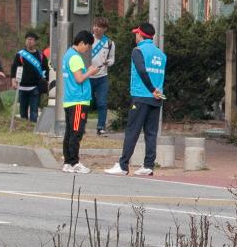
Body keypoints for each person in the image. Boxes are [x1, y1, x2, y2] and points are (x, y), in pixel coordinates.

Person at [106, 22, 167, 177]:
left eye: (136, 33)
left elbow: (141, 70)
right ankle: (148, 165)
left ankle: (123, 165)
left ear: (140, 34)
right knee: (151, 133)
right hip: (157, 98)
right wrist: (155, 91)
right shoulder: (161, 54)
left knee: (132, 130)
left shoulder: (137, 51)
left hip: (141, 96)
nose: (135, 36)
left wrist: (151, 89)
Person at [61, 30, 97, 173]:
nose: (87, 49)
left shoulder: (67, 55)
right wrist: (90, 72)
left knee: (69, 132)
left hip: (70, 99)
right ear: (82, 43)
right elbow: (79, 78)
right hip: (78, 101)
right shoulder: (75, 57)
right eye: (87, 46)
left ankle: (67, 162)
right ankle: (74, 162)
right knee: (76, 132)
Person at [9, 31, 48, 123]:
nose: (29, 41)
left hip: (35, 87)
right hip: (22, 87)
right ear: (25, 41)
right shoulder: (20, 55)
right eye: (28, 39)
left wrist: (46, 82)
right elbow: (14, 68)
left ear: (35, 42)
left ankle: (32, 129)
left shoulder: (41, 56)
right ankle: (24, 128)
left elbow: (45, 70)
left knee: (34, 112)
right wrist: (13, 81)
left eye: (32, 40)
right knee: (23, 112)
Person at [89, 17, 116, 135]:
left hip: (102, 77)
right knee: (86, 102)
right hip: (87, 76)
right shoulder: (88, 40)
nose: (96, 28)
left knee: (102, 103)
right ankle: (81, 125)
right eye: (95, 25)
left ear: (105, 29)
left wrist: (108, 63)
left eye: (99, 26)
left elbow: (112, 59)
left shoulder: (109, 43)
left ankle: (101, 127)